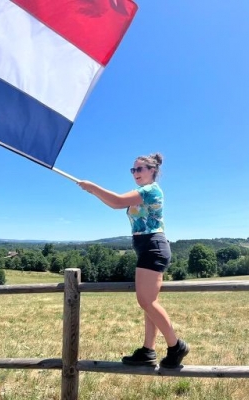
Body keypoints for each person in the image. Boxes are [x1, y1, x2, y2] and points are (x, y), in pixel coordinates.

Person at [77, 152, 189, 368]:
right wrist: (93, 191)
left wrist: (93, 187)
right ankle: (148, 351)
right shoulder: (142, 191)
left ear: (152, 171)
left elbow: (118, 202)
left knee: (146, 301)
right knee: (150, 303)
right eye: (133, 169)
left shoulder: (150, 190)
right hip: (149, 247)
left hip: (152, 247)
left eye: (139, 169)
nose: (135, 173)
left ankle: (176, 346)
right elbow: (114, 203)